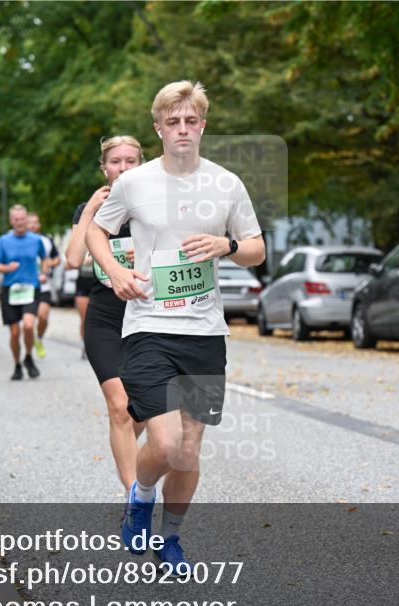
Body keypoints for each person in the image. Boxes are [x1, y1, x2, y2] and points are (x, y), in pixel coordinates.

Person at [87, 81, 265, 571]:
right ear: (158, 128)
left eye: (191, 121)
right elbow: (97, 231)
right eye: (172, 122)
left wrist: (225, 246)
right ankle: (140, 497)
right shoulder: (134, 183)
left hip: (205, 332)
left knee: (187, 451)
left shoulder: (227, 183)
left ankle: (171, 539)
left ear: (202, 124)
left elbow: (257, 248)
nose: (182, 129)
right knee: (163, 443)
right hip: (148, 326)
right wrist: (119, 273)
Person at [65, 135, 145, 490]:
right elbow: (72, 259)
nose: (123, 168)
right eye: (115, 161)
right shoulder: (89, 208)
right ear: (104, 167)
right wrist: (88, 213)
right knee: (119, 406)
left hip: (148, 317)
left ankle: (127, 444)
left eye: (130, 161)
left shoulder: (154, 204)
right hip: (105, 318)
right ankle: (134, 500)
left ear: (141, 164)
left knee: (140, 412)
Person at [0, 205, 46, 380]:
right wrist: (7, 267)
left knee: (29, 325)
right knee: (15, 332)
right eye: (16, 219)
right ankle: (17, 364)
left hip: (31, 288)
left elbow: (44, 258)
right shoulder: (3, 241)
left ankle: (29, 356)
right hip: (10, 290)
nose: (20, 222)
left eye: (22, 219)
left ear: (26, 220)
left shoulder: (35, 240)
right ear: (11, 221)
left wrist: (44, 273)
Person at [26, 212, 60, 358]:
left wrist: (48, 264)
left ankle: (39, 338)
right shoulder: (21, 240)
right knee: (28, 322)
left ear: (39, 225)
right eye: (30, 222)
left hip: (44, 284)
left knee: (43, 317)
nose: (33, 225)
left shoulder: (46, 240)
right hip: (26, 287)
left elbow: (57, 259)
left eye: (35, 222)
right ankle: (28, 348)